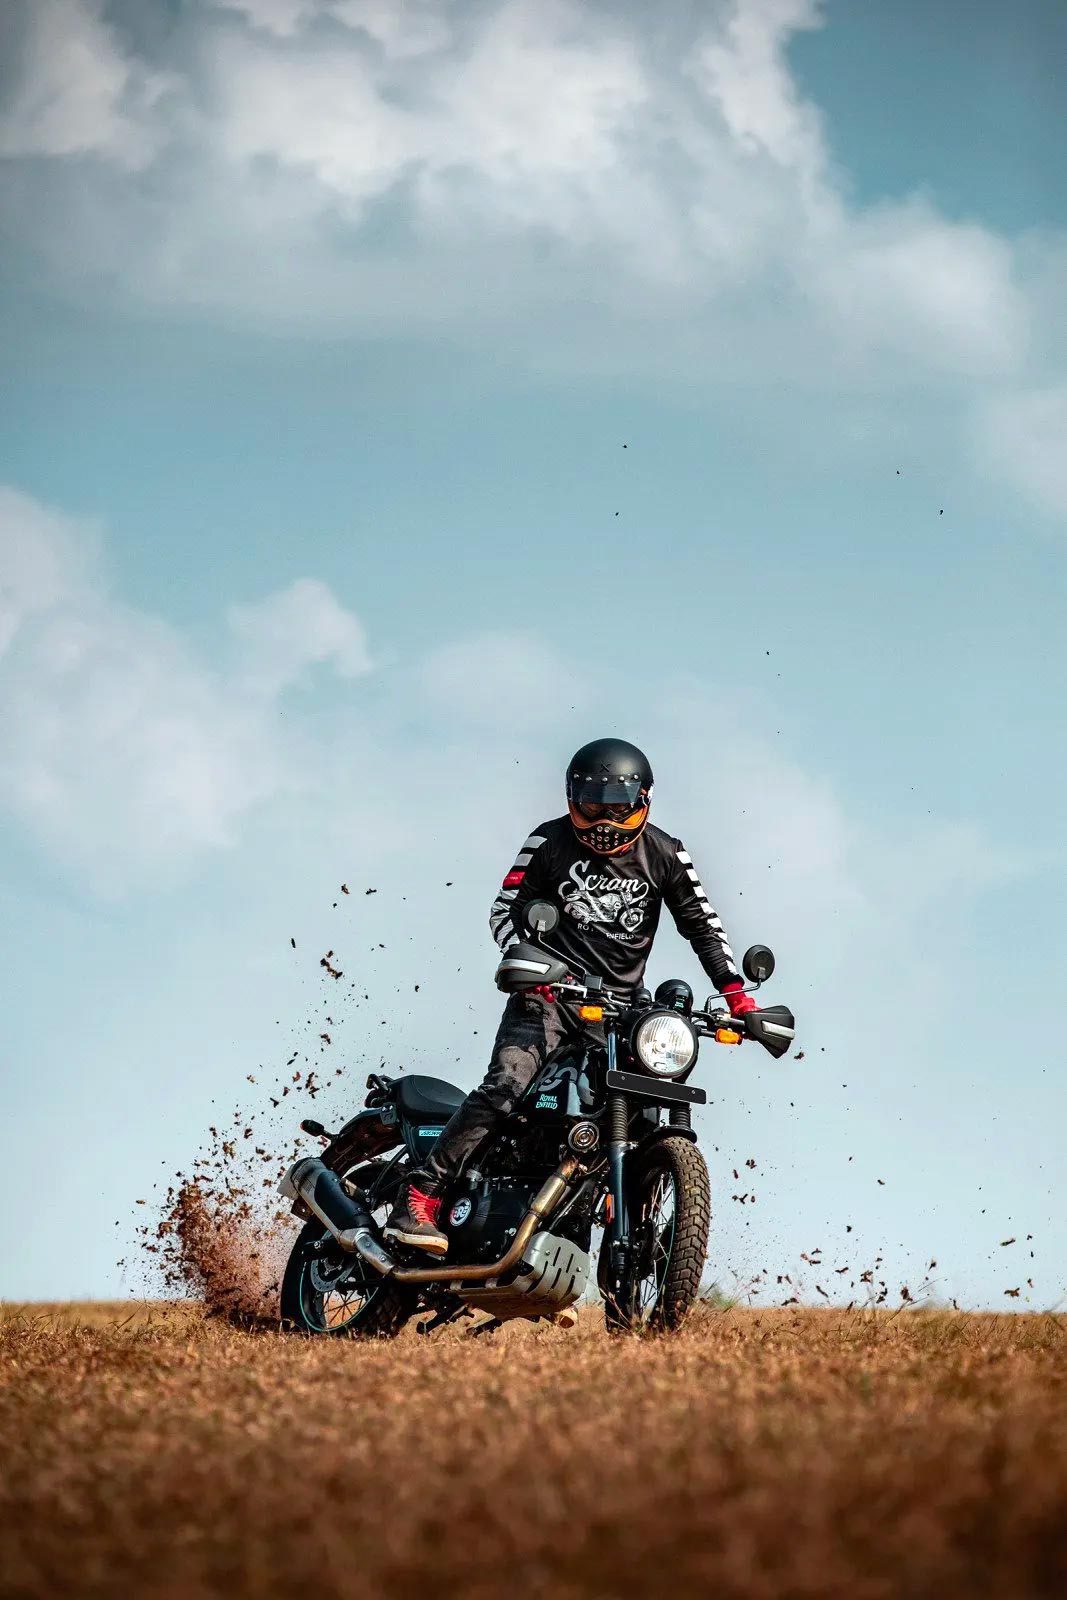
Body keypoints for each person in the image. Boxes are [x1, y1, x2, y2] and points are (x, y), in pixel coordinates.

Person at [383, 737, 755, 1254]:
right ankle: (421, 1194)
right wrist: (532, 962)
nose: (604, 819)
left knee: (650, 1099)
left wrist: (737, 996)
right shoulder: (549, 843)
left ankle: (604, 1204)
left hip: (625, 1009)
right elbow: (505, 909)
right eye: (592, 804)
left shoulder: (667, 853)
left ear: (643, 801)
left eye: (617, 806)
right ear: (571, 798)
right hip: (547, 997)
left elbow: (702, 924)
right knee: (506, 1085)